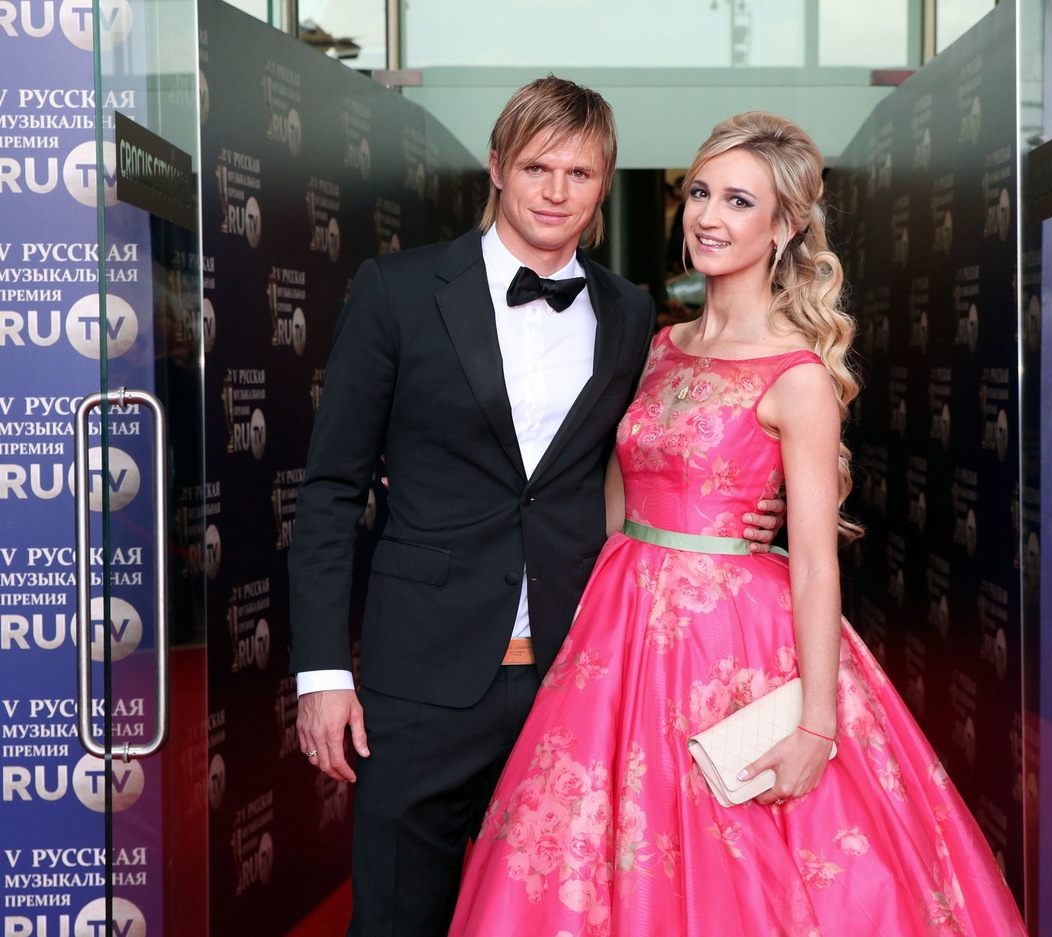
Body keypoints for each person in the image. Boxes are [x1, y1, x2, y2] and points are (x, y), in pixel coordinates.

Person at [448, 112, 1029, 936]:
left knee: (742, 856)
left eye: (739, 201)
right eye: (700, 193)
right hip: (616, 625)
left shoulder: (798, 375)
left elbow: (817, 563)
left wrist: (818, 723)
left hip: (733, 642)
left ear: (783, 227)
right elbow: (608, 493)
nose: (709, 217)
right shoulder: (654, 345)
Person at [288, 78, 782, 937]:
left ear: (604, 185)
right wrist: (323, 675)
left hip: (578, 674)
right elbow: (331, 489)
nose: (556, 192)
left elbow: (646, 459)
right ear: (496, 167)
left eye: (580, 174)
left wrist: (736, 513)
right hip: (423, 677)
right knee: (397, 916)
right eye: (536, 168)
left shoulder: (629, 311)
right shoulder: (398, 290)